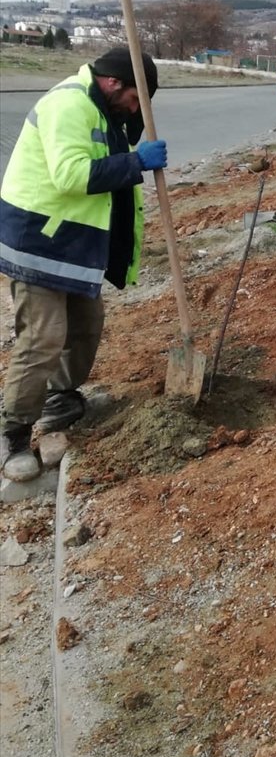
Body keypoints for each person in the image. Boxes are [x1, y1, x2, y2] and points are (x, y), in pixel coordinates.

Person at [0, 47, 167, 481]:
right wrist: (135, 162)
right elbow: (70, 175)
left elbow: (110, 148)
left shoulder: (102, 106)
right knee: (43, 337)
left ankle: (60, 398)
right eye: (134, 99)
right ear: (113, 82)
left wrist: (130, 128)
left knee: (86, 325)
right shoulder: (68, 104)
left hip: (73, 242)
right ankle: (13, 433)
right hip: (38, 238)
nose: (134, 109)